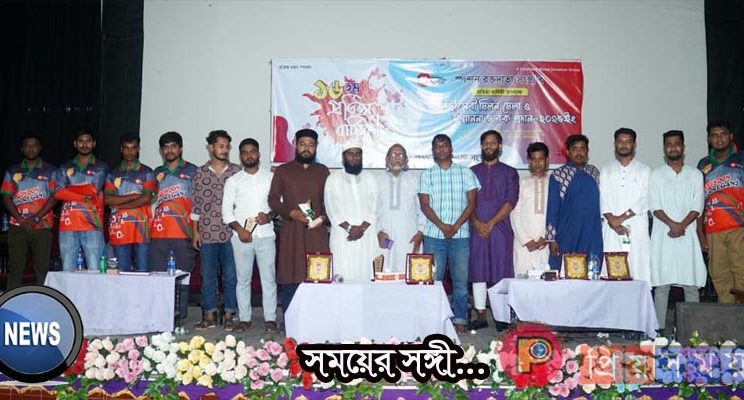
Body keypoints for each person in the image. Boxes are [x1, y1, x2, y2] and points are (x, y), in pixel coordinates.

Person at [419, 134, 480, 334]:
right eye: (437, 146)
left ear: (451, 148)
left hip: (460, 236)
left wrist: (455, 226)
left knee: (460, 281)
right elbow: (424, 205)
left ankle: (460, 318)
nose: (441, 149)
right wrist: (443, 226)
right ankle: (433, 319)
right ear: (433, 151)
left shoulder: (466, 173)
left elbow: (472, 203)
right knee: (432, 280)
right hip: (433, 236)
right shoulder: (426, 175)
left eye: (445, 145)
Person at [268, 129, 330, 312]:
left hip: (316, 232)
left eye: (311, 145)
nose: (306, 148)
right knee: (291, 275)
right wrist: (290, 212)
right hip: (291, 231)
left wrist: (323, 217)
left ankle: (317, 319)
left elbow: (330, 201)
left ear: (316, 147)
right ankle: (290, 320)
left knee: (317, 276)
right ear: (295, 144)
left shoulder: (323, 171)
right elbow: (272, 200)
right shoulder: (283, 170)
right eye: (302, 144)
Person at [650, 130, 706, 330]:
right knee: (662, 286)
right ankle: (658, 332)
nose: (673, 147)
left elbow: (697, 206)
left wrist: (681, 225)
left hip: (687, 235)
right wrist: (672, 225)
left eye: (676, 144)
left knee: (691, 285)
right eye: (669, 144)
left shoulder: (695, 174)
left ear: (683, 147)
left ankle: (693, 332)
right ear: (664, 149)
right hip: (663, 235)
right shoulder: (656, 175)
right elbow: (654, 206)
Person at [223, 138, 278, 333]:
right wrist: (240, 230)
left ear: (259, 154)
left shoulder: (271, 178)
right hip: (242, 238)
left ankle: (270, 319)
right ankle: (245, 318)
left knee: (269, 280)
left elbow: (279, 205)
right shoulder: (233, 181)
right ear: (240, 156)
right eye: (245, 152)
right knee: (243, 280)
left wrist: (269, 216)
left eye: (252, 151)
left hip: (266, 236)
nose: (249, 155)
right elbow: (226, 212)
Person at [191, 130, 241, 331]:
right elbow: (195, 205)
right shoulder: (200, 173)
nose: (224, 150)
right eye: (220, 146)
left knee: (231, 276)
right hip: (207, 233)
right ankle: (209, 315)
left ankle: (229, 315)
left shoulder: (237, 171)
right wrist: (195, 233)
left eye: (227, 146)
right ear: (210, 147)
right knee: (208, 276)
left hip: (231, 233)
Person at [469, 130, 519, 330]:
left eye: (492, 143)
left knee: (500, 270)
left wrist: (489, 224)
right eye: (485, 143)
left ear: (500, 147)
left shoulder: (510, 172)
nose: (488, 146)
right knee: (478, 269)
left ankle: (501, 316)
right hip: (476, 228)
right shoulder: (471, 172)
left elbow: (510, 201)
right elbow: (466, 202)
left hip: (500, 229)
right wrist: (476, 222)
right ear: (481, 147)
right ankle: (480, 315)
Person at [150, 131, 197, 322]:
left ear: (181, 148)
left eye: (173, 146)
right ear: (162, 150)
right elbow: (149, 200)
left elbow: (198, 204)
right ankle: (161, 315)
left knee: (183, 277)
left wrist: (197, 232)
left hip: (183, 232)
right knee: (159, 277)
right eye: (166, 147)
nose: (170, 150)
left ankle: (180, 316)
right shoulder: (156, 173)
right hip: (158, 233)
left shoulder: (192, 171)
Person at [1, 132, 57, 289]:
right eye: (27, 146)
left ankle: (44, 299)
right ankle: (12, 300)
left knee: (42, 268)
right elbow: (6, 197)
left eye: (34, 145)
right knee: (15, 268)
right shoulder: (12, 171)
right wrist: (20, 219)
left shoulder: (51, 171)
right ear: (22, 149)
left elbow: (55, 197)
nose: (30, 149)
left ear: (40, 148)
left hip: (42, 226)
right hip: (17, 226)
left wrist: (36, 218)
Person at [697, 121, 744, 303]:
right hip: (713, 230)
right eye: (714, 135)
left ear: (730, 136)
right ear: (709, 139)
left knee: (741, 271)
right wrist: (700, 233)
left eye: (723, 134)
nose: (719, 138)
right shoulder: (703, 164)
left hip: (739, 227)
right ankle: (728, 315)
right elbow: (698, 201)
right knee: (719, 275)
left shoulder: (741, 159)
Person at [599, 128, 651, 282]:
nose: (624, 145)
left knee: (637, 271)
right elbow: (602, 198)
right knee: (611, 273)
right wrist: (612, 220)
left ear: (634, 145)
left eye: (628, 142)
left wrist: (621, 218)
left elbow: (646, 199)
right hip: (611, 229)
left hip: (636, 228)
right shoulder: (606, 170)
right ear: (615, 144)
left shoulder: (644, 170)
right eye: (620, 142)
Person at [546, 134, 603, 270]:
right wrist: (551, 239)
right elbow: (552, 209)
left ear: (587, 152)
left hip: (592, 233)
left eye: (582, 149)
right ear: (568, 152)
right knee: (565, 273)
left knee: (592, 271)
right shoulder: (559, 175)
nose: (579, 152)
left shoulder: (594, 172)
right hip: (567, 233)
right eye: (575, 149)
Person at [325, 142, 379, 283]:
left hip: (366, 235)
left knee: (365, 275)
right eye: (350, 154)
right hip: (342, 236)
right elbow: (332, 209)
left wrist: (361, 229)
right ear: (343, 157)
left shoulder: (370, 178)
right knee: (343, 275)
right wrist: (350, 228)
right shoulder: (333, 179)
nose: (354, 157)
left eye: (357, 154)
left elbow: (374, 207)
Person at [55, 129, 108, 271]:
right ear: (75, 144)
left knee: (94, 271)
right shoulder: (64, 167)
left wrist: (68, 190)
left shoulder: (101, 166)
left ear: (94, 144)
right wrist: (83, 194)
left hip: (92, 225)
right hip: (68, 226)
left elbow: (93, 190)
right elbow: (58, 193)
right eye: (81, 141)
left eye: (88, 141)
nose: (84, 144)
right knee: (67, 271)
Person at [103, 132, 156, 272]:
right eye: (126, 148)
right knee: (122, 272)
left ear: (138, 149)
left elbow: (146, 198)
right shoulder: (112, 174)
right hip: (119, 227)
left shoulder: (147, 172)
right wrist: (133, 197)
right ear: (121, 149)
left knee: (143, 272)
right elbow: (107, 199)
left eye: (133, 148)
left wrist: (118, 205)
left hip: (141, 229)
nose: (129, 151)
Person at [376, 144, 424, 272]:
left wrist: (420, 233)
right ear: (387, 159)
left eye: (401, 155)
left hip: (409, 236)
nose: (397, 157)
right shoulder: (377, 181)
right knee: (384, 273)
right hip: (384, 235)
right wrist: (377, 232)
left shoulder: (414, 181)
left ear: (406, 160)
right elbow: (371, 211)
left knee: (408, 272)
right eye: (393, 154)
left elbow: (422, 210)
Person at [511, 142, 550, 277]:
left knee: (546, 283)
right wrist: (526, 240)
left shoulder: (553, 184)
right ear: (529, 161)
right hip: (523, 244)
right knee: (522, 282)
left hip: (546, 243)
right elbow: (515, 214)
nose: (537, 163)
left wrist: (547, 237)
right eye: (534, 159)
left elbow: (557, 214)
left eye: (541, 159)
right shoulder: (521, 184)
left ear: (547, 160)